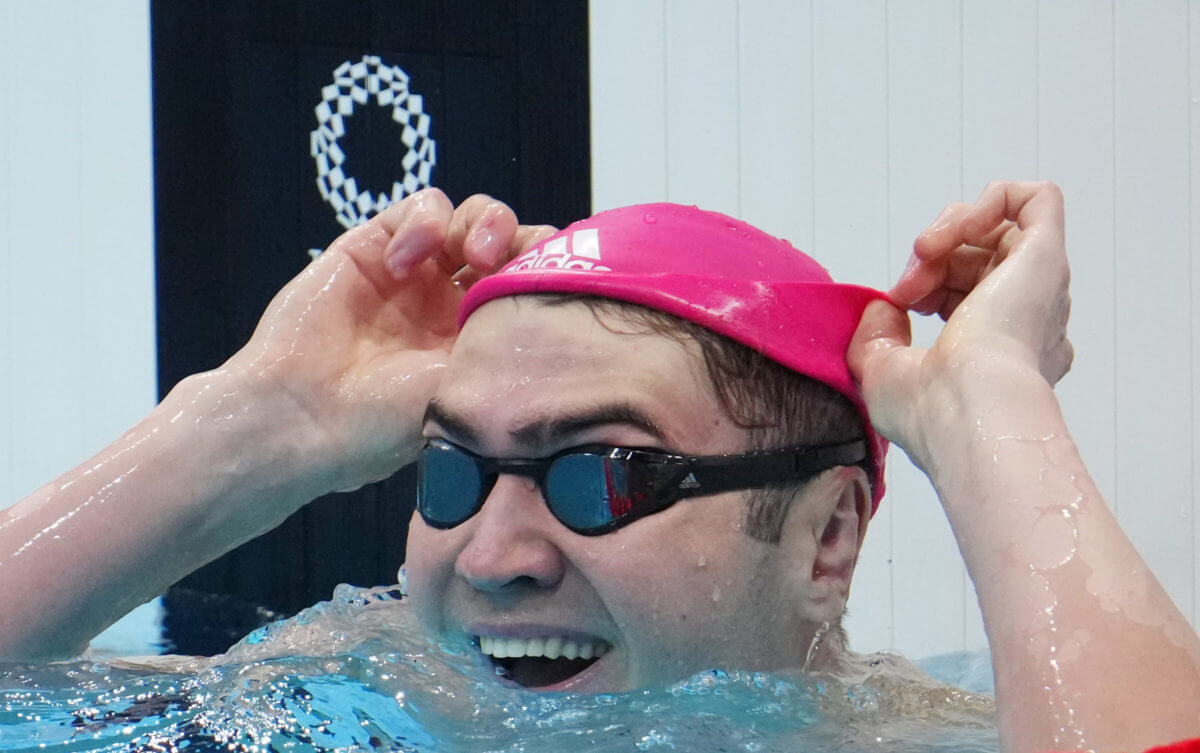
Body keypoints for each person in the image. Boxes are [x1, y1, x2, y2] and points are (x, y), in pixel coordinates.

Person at [0, 181, 1195, 753]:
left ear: (827, 537)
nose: (495, 557)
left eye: (605, 474)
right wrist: (249, 429)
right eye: (452, 472)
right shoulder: (337, 701)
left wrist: (991, 407)